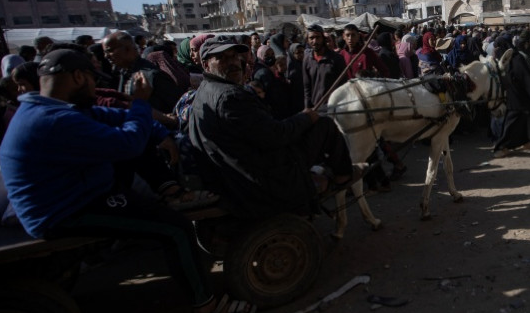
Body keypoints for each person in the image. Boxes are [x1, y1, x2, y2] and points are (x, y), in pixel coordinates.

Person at [0, 49, 251, 313]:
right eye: (93, 80)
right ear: (78, 76)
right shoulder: (53, 120)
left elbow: (112, 117)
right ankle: (206, 308)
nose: (95, 87)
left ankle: (171, 191)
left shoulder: (53, 108)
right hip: (63, 209)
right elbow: (127, 142)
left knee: (140, 135)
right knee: (175, 228)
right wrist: (140, 103)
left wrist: (160, 133)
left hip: (81, 189)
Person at [189, 37, 356, 219]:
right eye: (222, 58)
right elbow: (276, 136)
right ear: (206, 65)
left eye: (234, 57)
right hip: (260, 175)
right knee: (324, 125)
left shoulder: (205, 90)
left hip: (237, 167)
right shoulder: (230, 97)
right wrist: (305, 118)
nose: (233, 63)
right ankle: (343, 176)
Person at [103, 32, 186, 114]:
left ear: (127, 48)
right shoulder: (124, 74)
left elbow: (176, 109)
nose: (106, 56)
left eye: (109, 50)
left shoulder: (151, 75)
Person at [493, 35, 530, 157]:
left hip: (518, 97)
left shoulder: (516, 59)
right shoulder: (508, 59)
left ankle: (501, 147)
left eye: (499, 47)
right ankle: (524, 142)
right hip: (513, 96)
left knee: (510, 123)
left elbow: (526, 79)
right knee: (520, 120)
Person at [302, 24, 347, 109]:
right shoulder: (307, 60)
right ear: (307, 40)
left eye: (318, 37)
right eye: (311, 38)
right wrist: (307, 108)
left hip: (334, 108)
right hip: (315, 109)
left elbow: (343, 86)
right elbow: (307, 88)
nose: (315, 41)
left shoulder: (337, 59)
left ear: (323, 39)